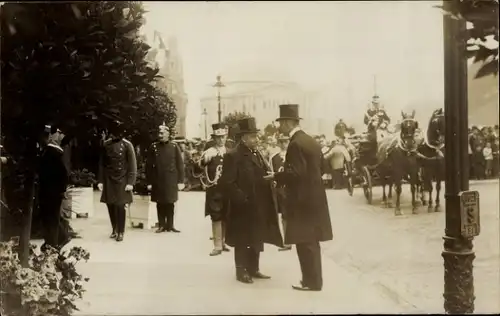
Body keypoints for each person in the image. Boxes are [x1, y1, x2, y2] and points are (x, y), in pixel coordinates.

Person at [265, 104, 333, 292]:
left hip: (301, 200)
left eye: (281, 123)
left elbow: (295, 174)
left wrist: (276, 176)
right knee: (312, 242)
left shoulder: (295, 144)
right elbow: (322, 168)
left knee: (304, 242)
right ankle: (314, 281)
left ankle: (310, 282)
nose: (280, 127)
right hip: (315, 199)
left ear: (288, 123)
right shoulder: (311, 141)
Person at [220, 117, 283, 284]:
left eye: (256, 136)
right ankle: (241, 271)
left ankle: (254, 268)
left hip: (259, 204)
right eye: (253, 136)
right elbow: (227, 183)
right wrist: (243, 198)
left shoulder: (257, 153)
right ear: (244, 138)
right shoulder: (233, 156)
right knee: (242, 239)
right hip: (244, 206)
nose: (257, 139)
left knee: (256, 236)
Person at [98, 121, 137, 242]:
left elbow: (132, 165)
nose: (116, 135)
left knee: (120, 206)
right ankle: (114, 228)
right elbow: (102, 164)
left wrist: (130, 182)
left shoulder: (127, 145)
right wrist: (100, 181)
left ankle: (121, 231)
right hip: (109, 179)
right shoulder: (106, 144)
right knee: (110, 204)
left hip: (122, 179)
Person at [146, 123, 185, 233]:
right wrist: (149, 182)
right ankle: (162, 225)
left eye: (163, 133)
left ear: (168, 134)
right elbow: (148, 166)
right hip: (158, 179)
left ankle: (171, 225)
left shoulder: (174, 146)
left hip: (171, 180)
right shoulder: (153, 147)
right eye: (159, 133)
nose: (160, 135)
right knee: (160, 202)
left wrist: (181, 181)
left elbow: (180, 165)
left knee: (170, 202)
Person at [199, 123, 230, 256]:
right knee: (216, 215)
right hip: (214, 189)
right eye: (218, 137)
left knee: (226, 215)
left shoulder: (229, 151)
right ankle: (217, 245)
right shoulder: (209, 152)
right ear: (214, 138)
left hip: (227, 189)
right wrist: (204, 160)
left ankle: (223, 242)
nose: (220, 140)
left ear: (226, 137)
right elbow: (198, 168)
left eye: (222, 137)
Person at [38, 125, 70, 251]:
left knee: (51, 218)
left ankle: (53, 243)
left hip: (52, 192)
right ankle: (56, 240)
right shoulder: (49, 151)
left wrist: (62, 190)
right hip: (49, 191)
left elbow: (63, 173)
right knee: (50, 217)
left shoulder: (53, 152)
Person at [269, 134, 292, 251]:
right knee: (283, 215)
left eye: (286, 142)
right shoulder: (274, 158)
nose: (283, 144)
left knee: (293, 215)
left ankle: (295, 238)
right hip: (280, 190)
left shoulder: (293, 156)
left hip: (291, 189)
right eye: (281, 142)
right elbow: (271, 174)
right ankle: (287, 241)